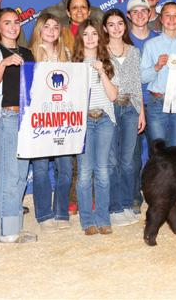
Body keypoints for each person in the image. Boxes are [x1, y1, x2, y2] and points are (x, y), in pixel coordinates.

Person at [0, 8, 37, 243]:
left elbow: (34, 86)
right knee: (8, 173)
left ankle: (14, 226)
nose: (13, 26)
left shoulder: (27, 52)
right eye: (7, 23)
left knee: (21, 174)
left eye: (16, 22)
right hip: (6, 117)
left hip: (26, 117)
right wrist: (4, 63)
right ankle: (6, 230)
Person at [28, 13, 74, 233]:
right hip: (39, 119)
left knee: (65, 168)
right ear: (39, 29)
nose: (52, 31)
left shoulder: (66, 54)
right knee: (40, 168)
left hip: (63, 118)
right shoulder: (30, 54)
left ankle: (61, 211)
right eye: (47, 26)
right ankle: (45, 214)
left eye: (56, 27)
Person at [73, 19, 119, 235]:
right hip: (83, 121)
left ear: (100, 37)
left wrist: (102, 72)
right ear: (80, 38)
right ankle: (87, 222)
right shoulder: (73, 65)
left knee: (102, 171)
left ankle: (103, 219)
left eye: (94, 34)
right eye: (86, 34)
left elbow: (113, 96)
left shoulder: (108, 62)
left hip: (105, 120)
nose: (90, 38)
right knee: (84, 172)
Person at [103, 9, 144, 227]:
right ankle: (114, 207)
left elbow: (137, 84)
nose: (116, 28)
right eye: (111, 24)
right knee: (112, 161)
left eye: (120, 23)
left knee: (127, 161)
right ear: (105, 28)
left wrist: (141, 112)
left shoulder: (134, 51)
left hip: (131, 108)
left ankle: (127, 204)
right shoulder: (100, 52)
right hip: (110, 109)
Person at [141, 2, 176, 147]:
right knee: (159, 151)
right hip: (157, 102)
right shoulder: (151, 45)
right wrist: (156, 67)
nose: (171, 19)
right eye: (167, 15)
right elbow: (142, 78)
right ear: (161, 19)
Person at [125, 0, 157, 213]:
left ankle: (156, 192)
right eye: (134, 12)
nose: (139, 15)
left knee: (157, 152)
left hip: (156, 102)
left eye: (143, 11)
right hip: (131, 104)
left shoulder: (159, 39)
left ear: (150, 14)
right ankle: (134, 195)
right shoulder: (123, 40)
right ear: (129, 16)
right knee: (133, 153)